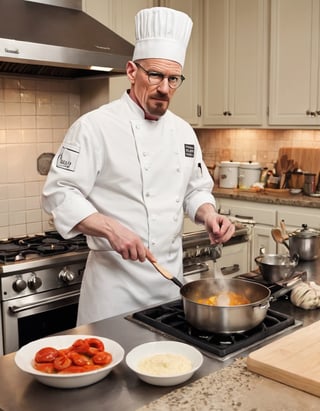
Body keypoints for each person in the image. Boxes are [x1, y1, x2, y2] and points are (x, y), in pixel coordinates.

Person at [42, 7, 235, 325]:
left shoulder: (183, 131)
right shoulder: (94, 127)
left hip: (170, 284)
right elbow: (58, 193)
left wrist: (209, 215)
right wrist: (112, 230)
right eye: (155, 75)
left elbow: (194, 190)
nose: (164, 88)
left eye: (174, 79)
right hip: (114, 288)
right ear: (132, 71)